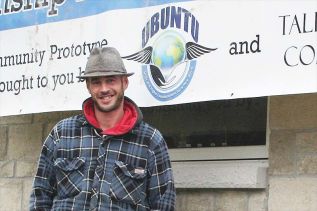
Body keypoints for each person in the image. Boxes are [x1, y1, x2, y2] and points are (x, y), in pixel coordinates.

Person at [29, 47, 176, 210]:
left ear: (124, 83)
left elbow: (163, 204)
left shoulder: (150, 141)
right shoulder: (62, 134)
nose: (104, 88)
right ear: (88, 86)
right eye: (96, 82)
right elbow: (40, 196)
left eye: (111, 80)